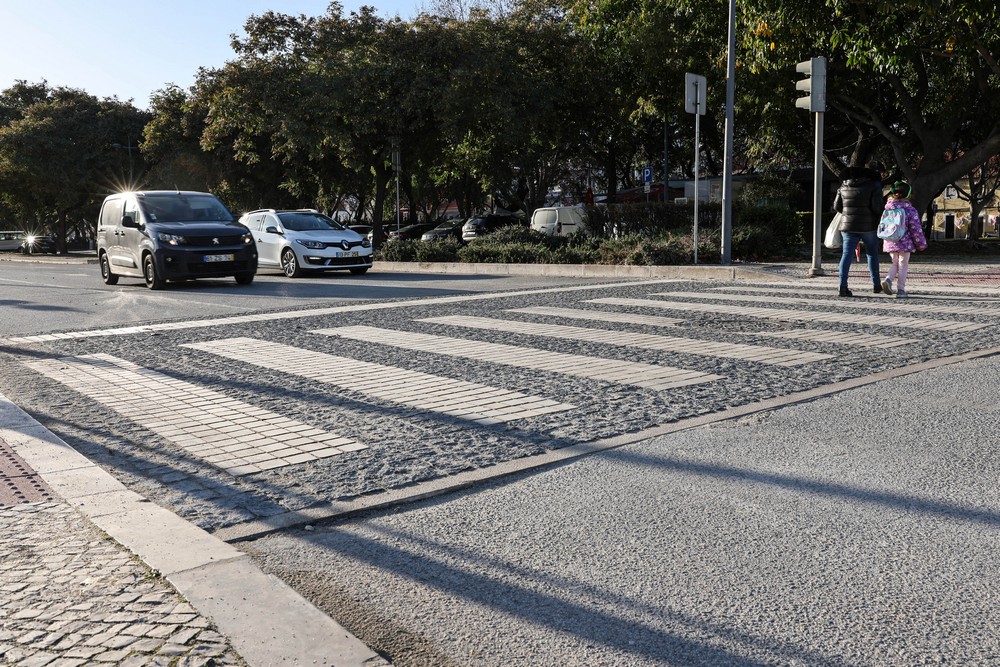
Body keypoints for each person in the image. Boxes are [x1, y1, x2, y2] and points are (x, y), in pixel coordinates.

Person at [833, 162, 886, 297]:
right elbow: (877, 208)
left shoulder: (843, 185)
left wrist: (848, 215)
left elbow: (837, 206)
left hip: (848, 226)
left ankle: (842, 286)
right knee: (872, 254)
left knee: (846, 255)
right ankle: (876, 285)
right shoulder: (874, 185)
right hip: (868, 226)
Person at [880, 181, 927, 299]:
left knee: (894, 262)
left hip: (890, 240)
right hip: (905, 242)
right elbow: (916, 229)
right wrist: (921, 244)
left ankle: (888, 279)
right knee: (903, 264)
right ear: (908, 195)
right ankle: (901, 290)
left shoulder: (888, 208)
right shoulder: (910, 210)